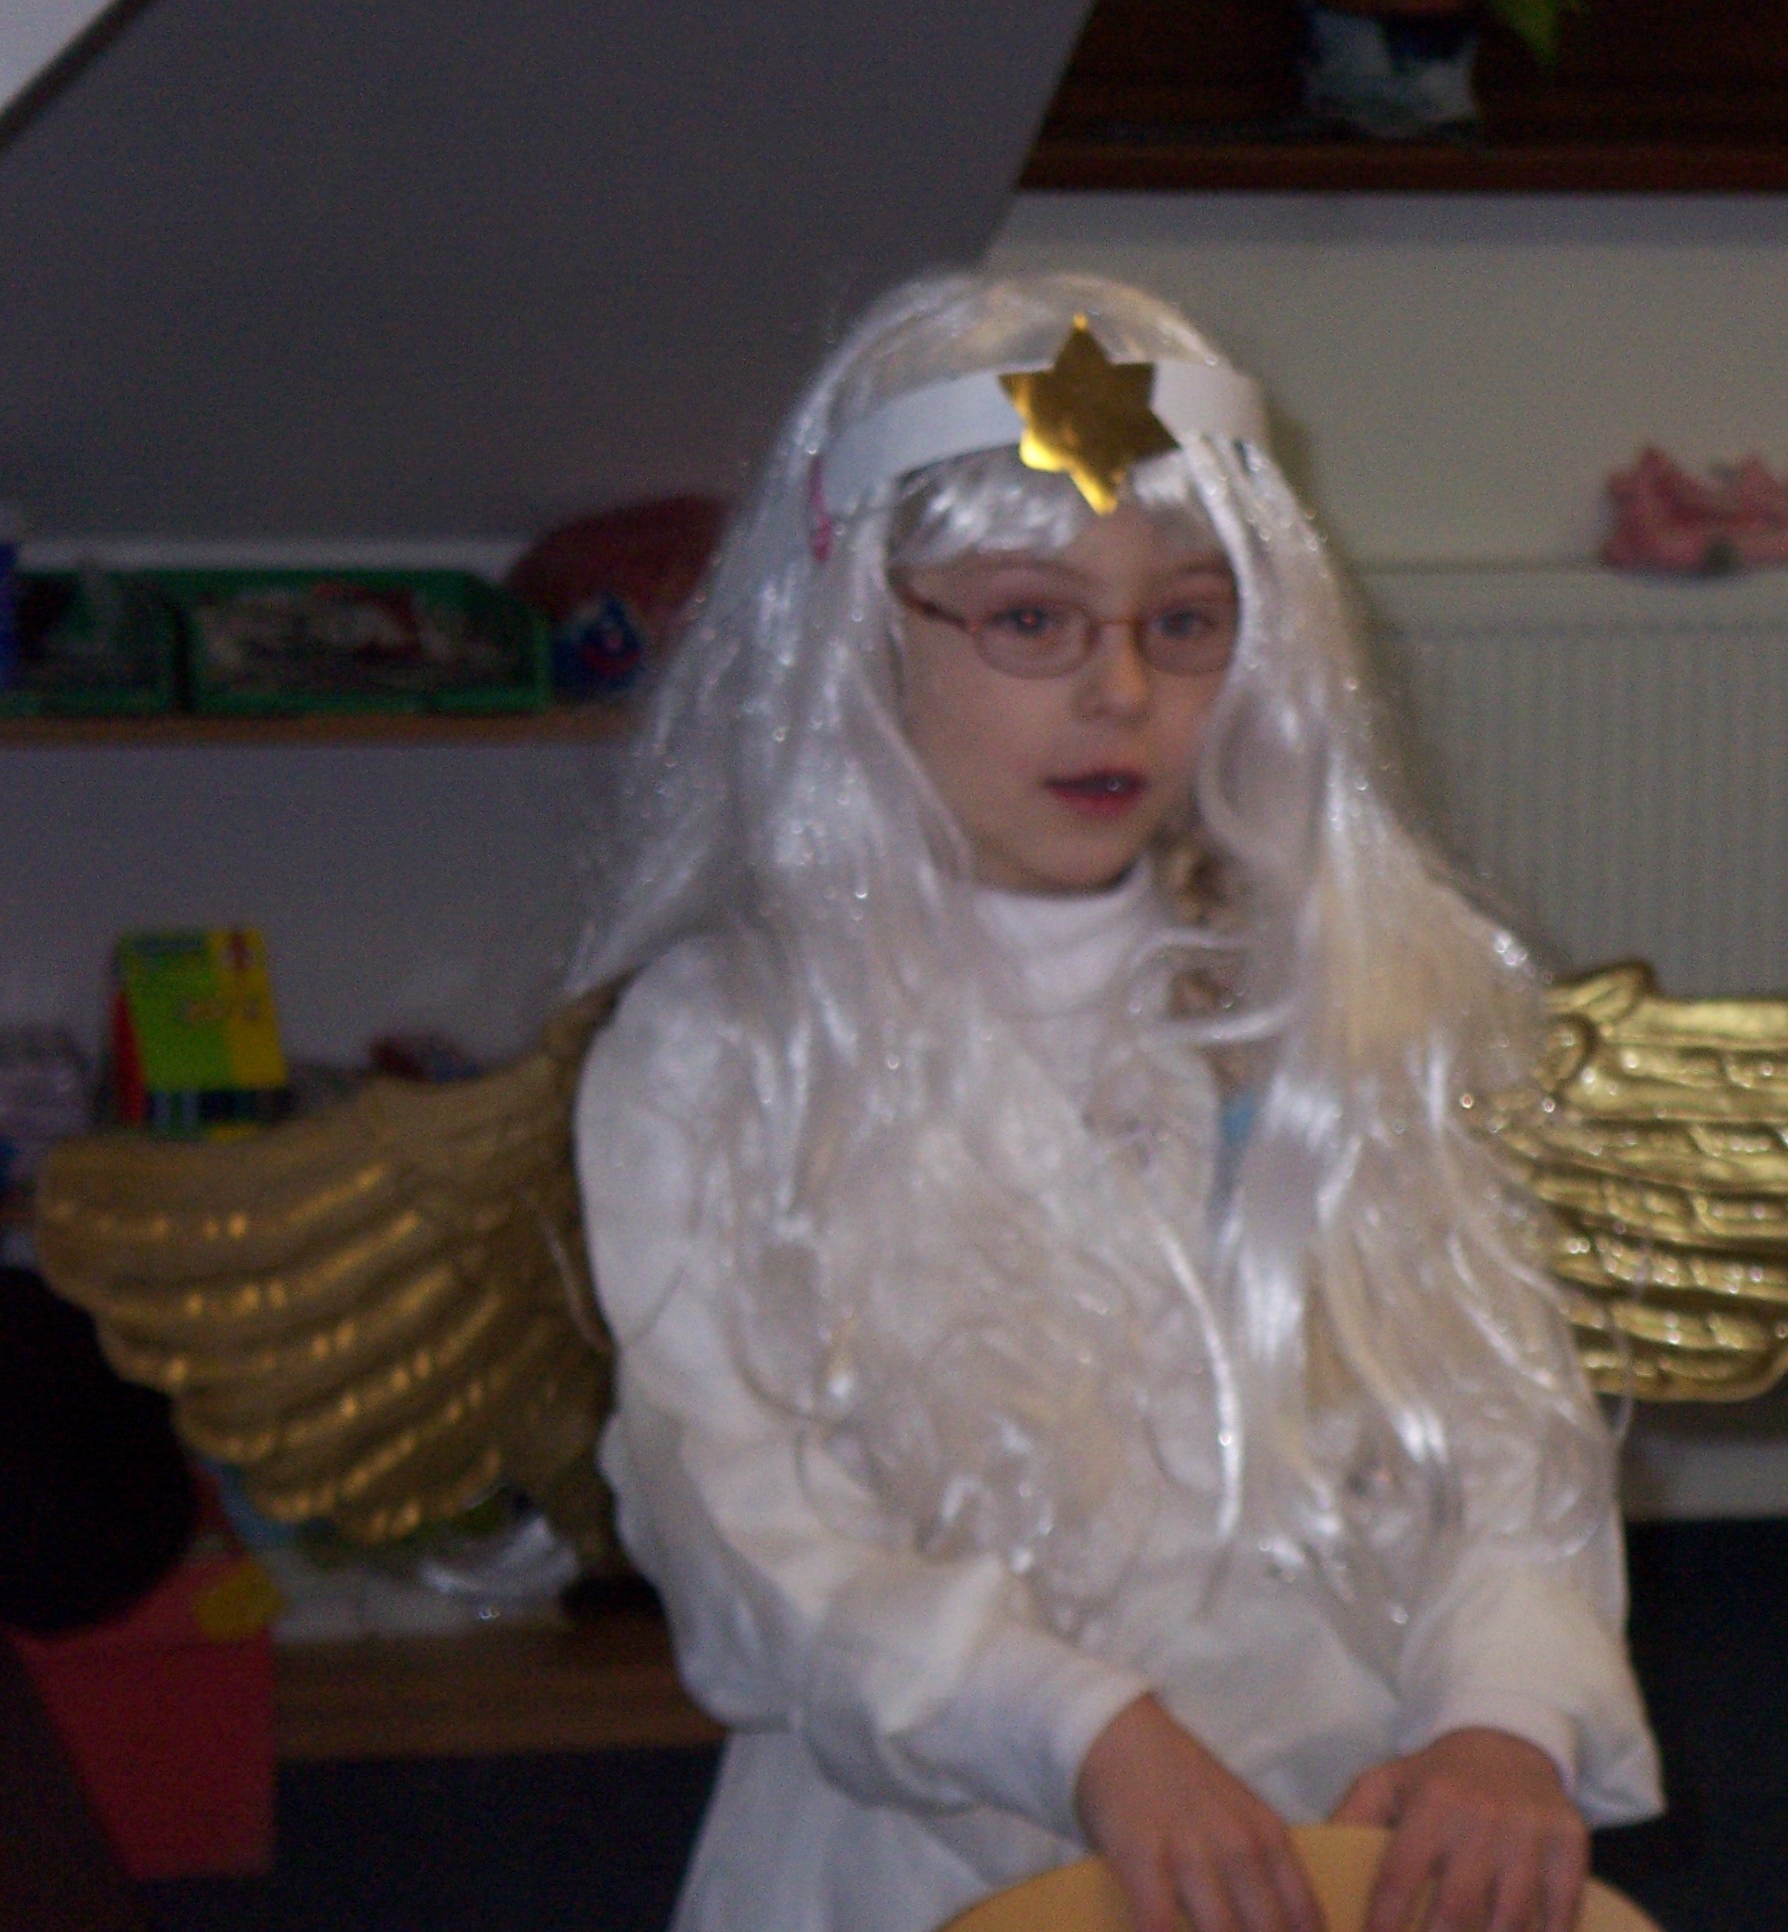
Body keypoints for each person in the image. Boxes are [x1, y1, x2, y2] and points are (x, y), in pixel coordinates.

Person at [567, 271, 1661, 1932]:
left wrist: (1503, 1718)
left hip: (1341, 1836)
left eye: (1186, 622)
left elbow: (1507, 1439)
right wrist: (1081, 1732)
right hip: (939, 1853)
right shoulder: (720, 1051)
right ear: (862, 632)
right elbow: (753, 1537)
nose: (1122, 694)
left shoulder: (1342, 1002)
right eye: (1031, 621)